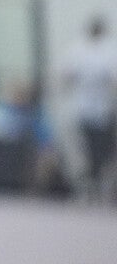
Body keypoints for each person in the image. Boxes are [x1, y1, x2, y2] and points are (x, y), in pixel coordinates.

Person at [62, 15, 117, 201]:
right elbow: (67, 76)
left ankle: (97, 182)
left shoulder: (108, 50)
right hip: (84, 107)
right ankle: (88, 183)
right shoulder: (78, 49)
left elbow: (113, 80)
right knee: (88, 148)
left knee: (102, 149)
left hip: (102, 108)